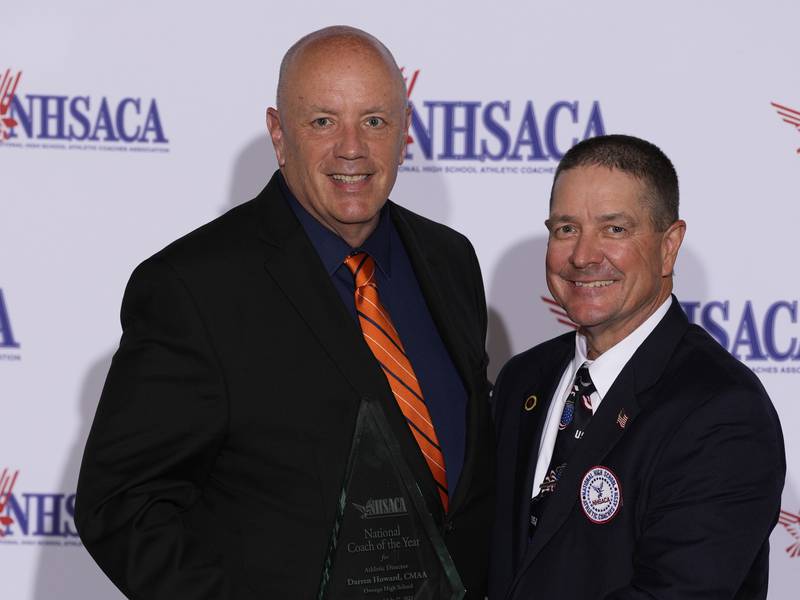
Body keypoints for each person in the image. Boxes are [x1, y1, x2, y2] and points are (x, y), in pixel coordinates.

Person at [76, 26, 494, 599]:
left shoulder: (450, 261)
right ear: (278, 134)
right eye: (322, 121)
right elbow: (122, 504)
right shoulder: (193, 287)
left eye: (374, 121)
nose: (352, 147)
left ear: (404, 133)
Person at [488, 134, 785, 599]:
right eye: (566, 228)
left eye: (614, 229)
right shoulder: (522, 380)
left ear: (669, 246)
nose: (583, 256)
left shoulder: (723, 412)